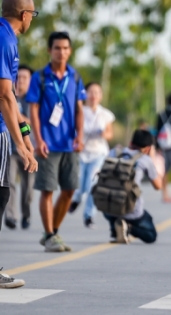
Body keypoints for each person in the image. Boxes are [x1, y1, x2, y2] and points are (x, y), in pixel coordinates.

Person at [28, 31, 84, 253]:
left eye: (65, 48)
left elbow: (80, 109)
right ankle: (50, 234)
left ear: (70, 51)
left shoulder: (75, 77)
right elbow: (32, 109)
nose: (61, 52)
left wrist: (80, 134)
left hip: (69, 143)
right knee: (48, 190)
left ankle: (53, 231)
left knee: (70, 189)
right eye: (57, 48)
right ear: (49, 50)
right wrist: (38, 139)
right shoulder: (40, 78)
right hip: (47, 144)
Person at [0, 0, 38, 289]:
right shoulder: (4, 38)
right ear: (24, 15)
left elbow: (12, 100)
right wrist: (19, 143)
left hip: (7, 128)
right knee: (1, 196)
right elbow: (4, 96)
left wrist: (25, 137)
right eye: (33, 14)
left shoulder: (6, 36)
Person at [103, 129, 162, 244]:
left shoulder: (114, 152)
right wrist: (153, 159)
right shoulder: (145, 160)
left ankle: (115, 228)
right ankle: (128, 227)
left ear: (131, 142)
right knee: (151, 235)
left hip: (107, 205)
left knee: (113, 193)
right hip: (131, 210)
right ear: (148, 148)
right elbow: (158, 186)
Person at [69, 82, 114, 228]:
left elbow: (109, 133)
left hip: (98, 154)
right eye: (91, 92)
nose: (93, 95)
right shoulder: (79, 111)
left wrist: (103, 134)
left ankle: (89, 215)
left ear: (100, 95)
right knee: (80, 182)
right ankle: (76, 199)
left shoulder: (105, 114)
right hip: (81, 153)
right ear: (85, 94)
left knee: (91, 185)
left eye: (97, 92)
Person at [5, 65, 34, 230]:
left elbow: (34, 123)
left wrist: (16, 115)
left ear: (30, 80)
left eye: (24, 77)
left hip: (29, 150)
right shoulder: (7, 95)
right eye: (18, 77)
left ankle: (26, 215)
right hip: (11, 148)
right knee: (9, 182)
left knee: (28, 187)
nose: (20, 80)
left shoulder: (34, 100)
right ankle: (11, 216)